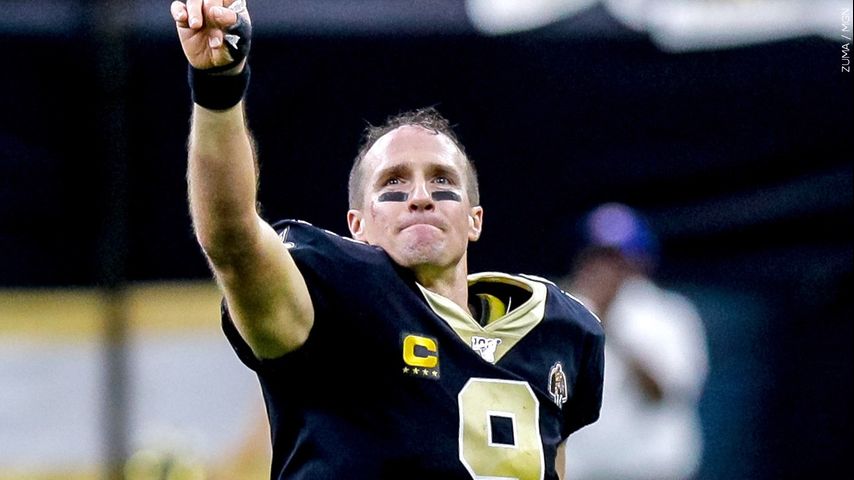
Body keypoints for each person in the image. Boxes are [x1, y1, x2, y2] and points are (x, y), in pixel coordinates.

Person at [170, 1, 605, 479]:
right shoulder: (337, 294)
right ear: (357, 225)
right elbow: (232, 238)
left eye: (442, 181)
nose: (420, 196)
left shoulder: (560, 330)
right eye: (393, 184)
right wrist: (218, 85)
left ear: (474, 220)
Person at [559, 203, 709, 480]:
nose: (605, 268)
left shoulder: (668, 314)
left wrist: (609, 325)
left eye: (617, 258)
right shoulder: (562, 311)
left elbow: (663, 394)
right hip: (582, 470)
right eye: (596, 256)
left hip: (650, 470)